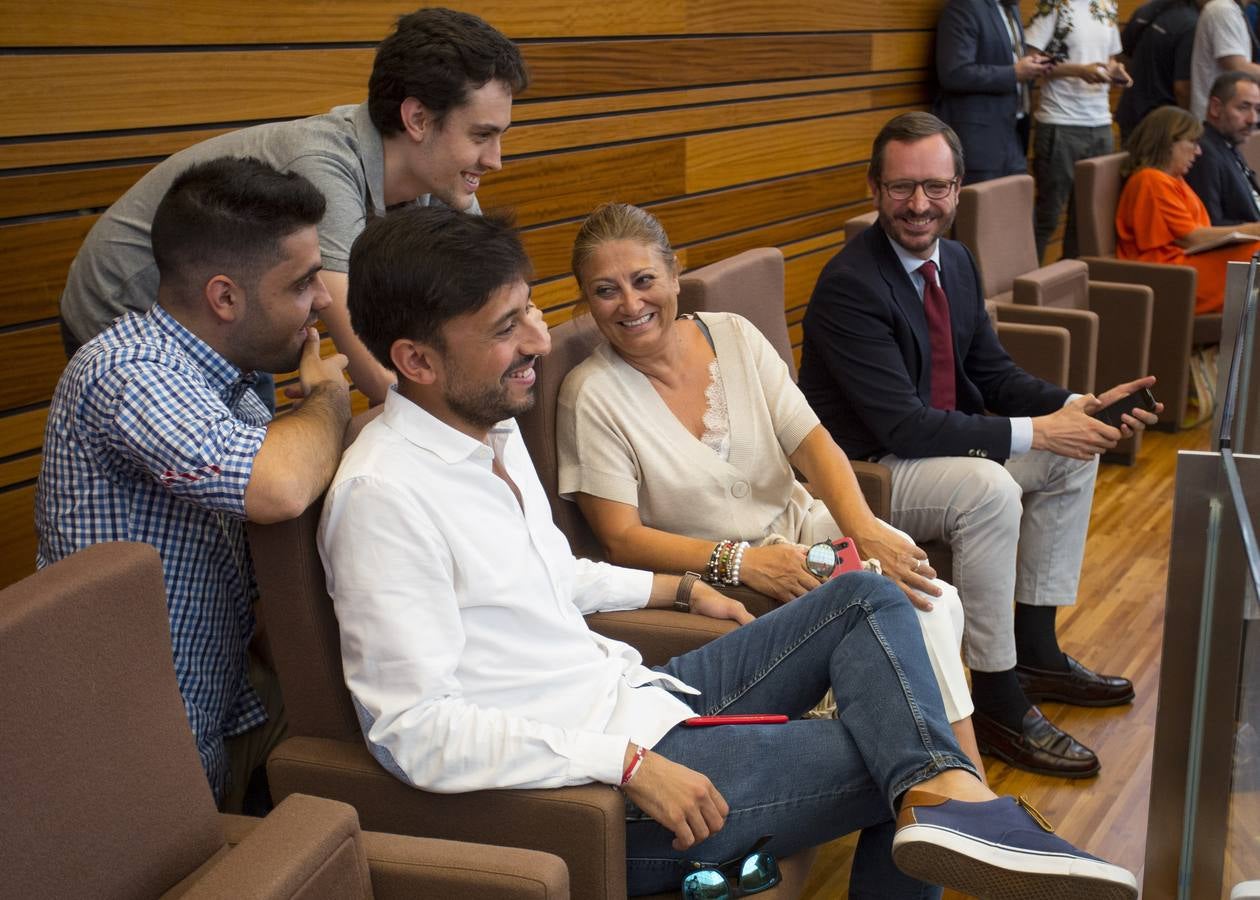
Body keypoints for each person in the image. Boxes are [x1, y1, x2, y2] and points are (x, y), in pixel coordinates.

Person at [318, 204, 1139, 900]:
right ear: (417, 361)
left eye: (531, 308)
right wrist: (628, 762)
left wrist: (678, 590)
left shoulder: (489, 428)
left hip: (634, 693)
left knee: (870, 597)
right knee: (891, 753)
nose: (539, 337)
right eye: (507, 327)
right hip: (598, 780)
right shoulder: (384, 498)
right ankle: (965, 803)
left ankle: (957, 798)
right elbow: (413, 731)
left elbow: (554, 575)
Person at [555, 201, 983, 771]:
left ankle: (946, 788)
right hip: (717, 571)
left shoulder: (733, 334)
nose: (631, 304)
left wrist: (865, 531)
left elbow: (814, 444)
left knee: (931, 594)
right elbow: (621, 541)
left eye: (643, 280)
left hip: (808, 529)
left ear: (674, 274)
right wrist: (742, 563)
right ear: (587, 302)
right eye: (606, 291)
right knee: (919, 611)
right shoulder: (589, 395)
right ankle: (960, 790)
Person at [798, 111, 1162, 780]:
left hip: (937, 453)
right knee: (990, 487)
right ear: (873, 189)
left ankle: (1036, 652)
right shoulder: (850, 285)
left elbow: (990, 373)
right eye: (902, 187)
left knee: (1072, 449)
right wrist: (1039, 429)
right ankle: (993, 696)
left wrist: (1073, 408)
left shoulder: (956, 261)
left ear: (958, 189)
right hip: (868, 473)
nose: (919, 205)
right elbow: (904, 427)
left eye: (935, 187)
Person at [36, 157, 352, 811]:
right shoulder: (126, 369)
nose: (323, 301)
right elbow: (279, 487)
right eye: (303, 283)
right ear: (225, 297)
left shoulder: (230, 379)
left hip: (220, 711)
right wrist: (327, 401)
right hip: (124, 758)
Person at [58, 6, 527, 407]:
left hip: (237, 308)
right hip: (128, 311)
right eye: (481, 135)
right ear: (418, 119)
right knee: (242, 484)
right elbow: (377, 376)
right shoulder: (322, 165)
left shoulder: (441, 175)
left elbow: (492, 300)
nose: (496, 161)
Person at [1116, 105, 1260, 315]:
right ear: (1168, 143)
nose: (1199, 151)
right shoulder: (1150, 179)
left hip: (1186, 265)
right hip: (1169, 276)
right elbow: (1191, 238)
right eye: (1193, 142)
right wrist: (1254, 229)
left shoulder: (1174, 179)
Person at [1024, 0, 1132, 261]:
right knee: (1048, 216)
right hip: (1061, 122)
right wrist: (1078, 71)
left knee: (1085, 221)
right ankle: (1026, 290)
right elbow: (1030, 61)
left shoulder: (1107, 6)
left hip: (1101, 123)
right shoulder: (1054, 5)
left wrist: (1117, 71)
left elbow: (1110, 59)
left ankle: (1071, 288)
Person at [933, 0, 1055, 184]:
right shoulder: (965, 7)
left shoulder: (1011, 8)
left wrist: (1032, 66)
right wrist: (1014, 73)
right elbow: (954, 72)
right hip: (979, 143)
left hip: (1013, 134)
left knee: (1017, 208)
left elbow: (1008, 59)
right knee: (981, 210)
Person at [1114, 0, 1202, 140]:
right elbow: (1182, 88)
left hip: (1131, 113)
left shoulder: (1145, 11)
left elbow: (1123, 56)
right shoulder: (1192, 25)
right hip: (1162, 126)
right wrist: (1189, 127)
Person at [1185, 71, 1260, 224]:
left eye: (1257, 110)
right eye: (1243, 108)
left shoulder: (1227, 143)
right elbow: (1210, 224)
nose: (1253, 119)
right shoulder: (1203, 152)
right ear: (1216, 108)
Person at [1190, 0, 1260, 120]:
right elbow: (1238, 67)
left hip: (1226, 118)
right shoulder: (1223, 10)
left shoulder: (1231, 11)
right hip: (1216, 121)